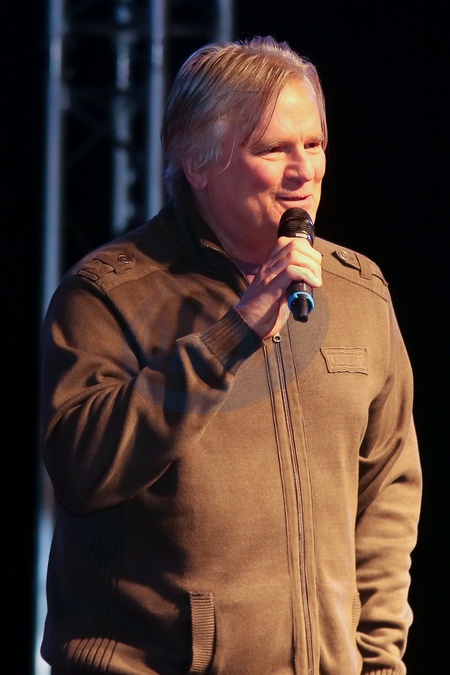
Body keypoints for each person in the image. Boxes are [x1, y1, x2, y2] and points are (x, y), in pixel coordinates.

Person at [40, 36, 422, 675]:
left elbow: (388, 494)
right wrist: (235, 331)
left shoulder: (359, 292)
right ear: (199, 162)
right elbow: (83, 469)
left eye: (314, 144)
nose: (303, 170)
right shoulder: (109, 294)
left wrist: (378, 662)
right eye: (272, 149)